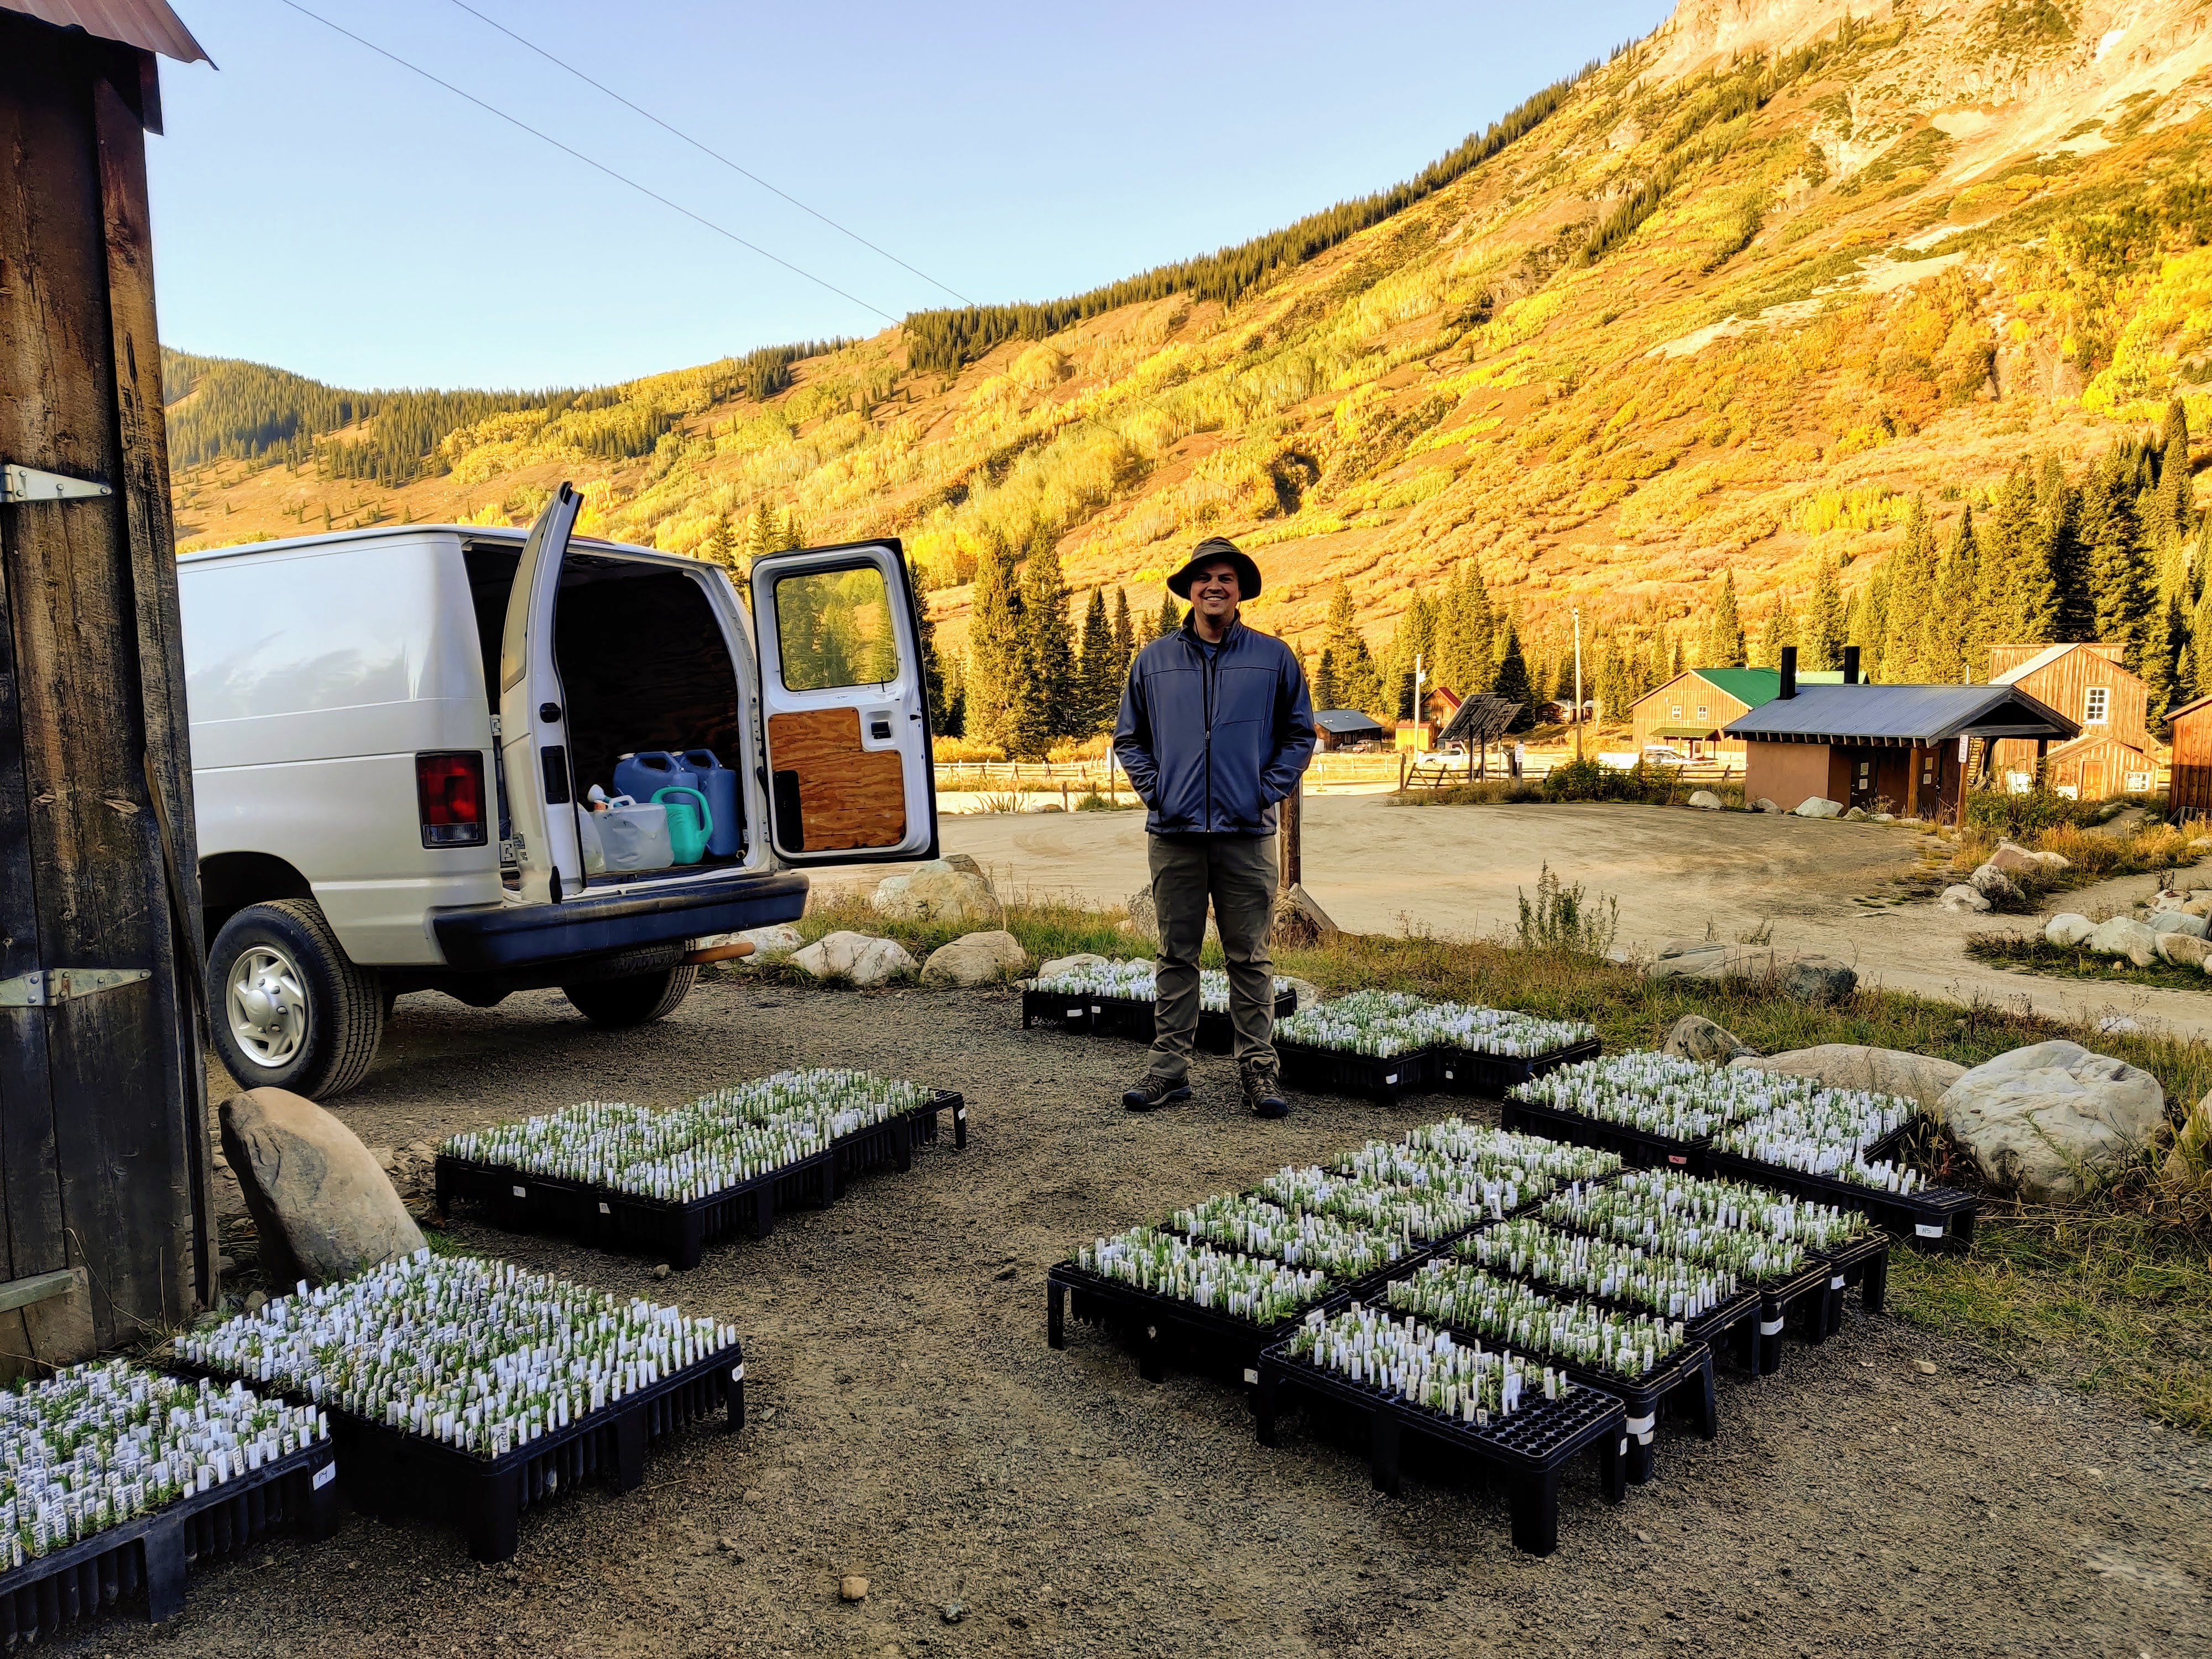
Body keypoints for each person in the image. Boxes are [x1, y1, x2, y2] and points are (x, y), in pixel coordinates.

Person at [1112, 536, 1314, 1118]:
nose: (1214, 587)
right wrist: (1158, 791)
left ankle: (1257, 1070)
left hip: (1245, 835)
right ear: (1190, 589)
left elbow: (1299, 734)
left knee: (1248, 957)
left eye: (1226, 578)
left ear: (1239, 590)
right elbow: (1131, 738)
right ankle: (1167, 1071)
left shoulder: (1273, 659)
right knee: (1176, 954)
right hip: (1173, 833)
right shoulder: (1152, 661)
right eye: (1204, 578)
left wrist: (1263, 789)